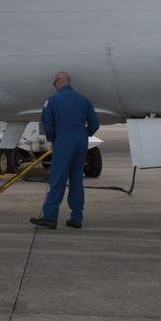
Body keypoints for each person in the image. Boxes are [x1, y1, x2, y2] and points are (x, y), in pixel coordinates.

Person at [30, 70, 99, 230]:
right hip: (81, 141)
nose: (55, 86)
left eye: (55, 83)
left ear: (60, 81)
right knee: (76, 178)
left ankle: (50, 217)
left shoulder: (52, 101)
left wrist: (53, 139)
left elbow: (47, 124)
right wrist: (84, 134)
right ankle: (76, 217)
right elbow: (95, 124)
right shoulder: (84, 100)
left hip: (64, 139)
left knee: (58, 178)